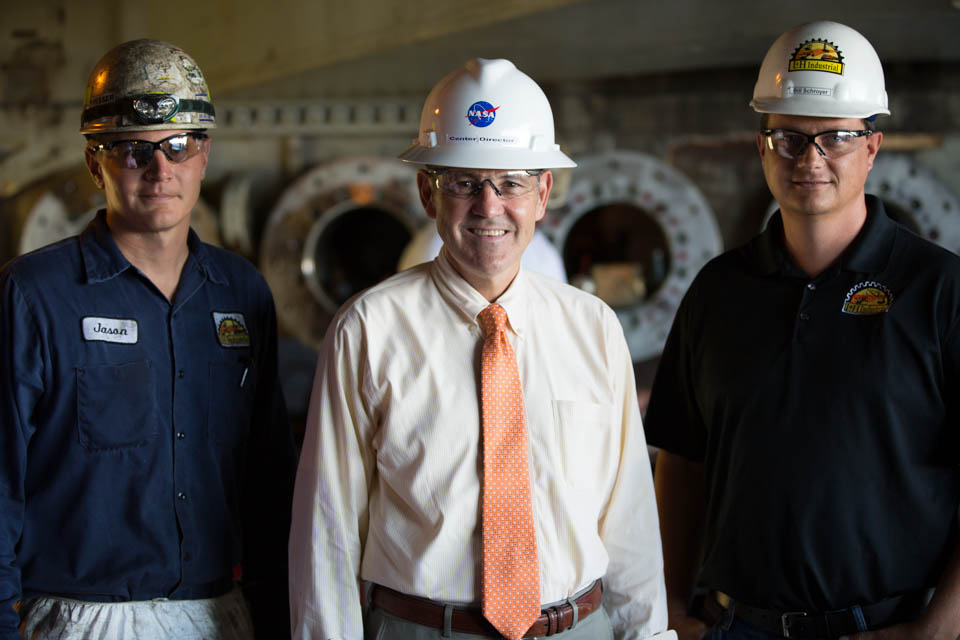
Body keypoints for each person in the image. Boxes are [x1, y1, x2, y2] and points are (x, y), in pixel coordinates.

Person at [289, 58, 675, 640]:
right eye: (464, 183)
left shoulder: (592, 327)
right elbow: (327, 529)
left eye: (511, 183)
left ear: (542, 193)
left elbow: (631, 523)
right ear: (428, 192)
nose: (489, 207)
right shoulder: (367, 330)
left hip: (579, 629)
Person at [645, 20, 960, 640]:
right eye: (788, 137)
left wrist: (940, 630)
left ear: (871, 147)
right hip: (736, 625)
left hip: (888, 627)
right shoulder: (718, 291)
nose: (810, 159)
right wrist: (672, 608)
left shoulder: (940, 291)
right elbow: (682, 461)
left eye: (836, 138)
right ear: (761, 145)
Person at [0, 39, 295, 639]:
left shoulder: (240, 292)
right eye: (134, 150)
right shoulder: (34, 295)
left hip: (222, 612)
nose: (161, 171)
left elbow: (269, 478)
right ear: (95, 162)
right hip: (79, 618)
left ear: (204, 156)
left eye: (179, 147)